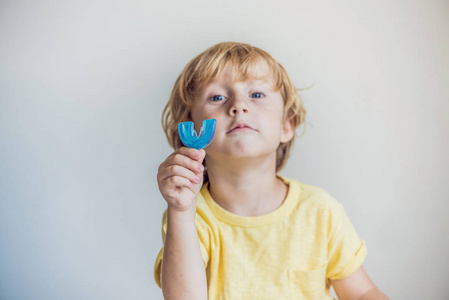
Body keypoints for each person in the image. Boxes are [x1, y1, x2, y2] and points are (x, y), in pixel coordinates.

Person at [154, 42, 389, 300]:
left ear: (286, 126)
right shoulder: (191, 216)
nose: (239, 106)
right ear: (189, 132)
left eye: (256, 95)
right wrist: (180, 211)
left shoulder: (321, 210)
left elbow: (362, 293)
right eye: (217, 97)